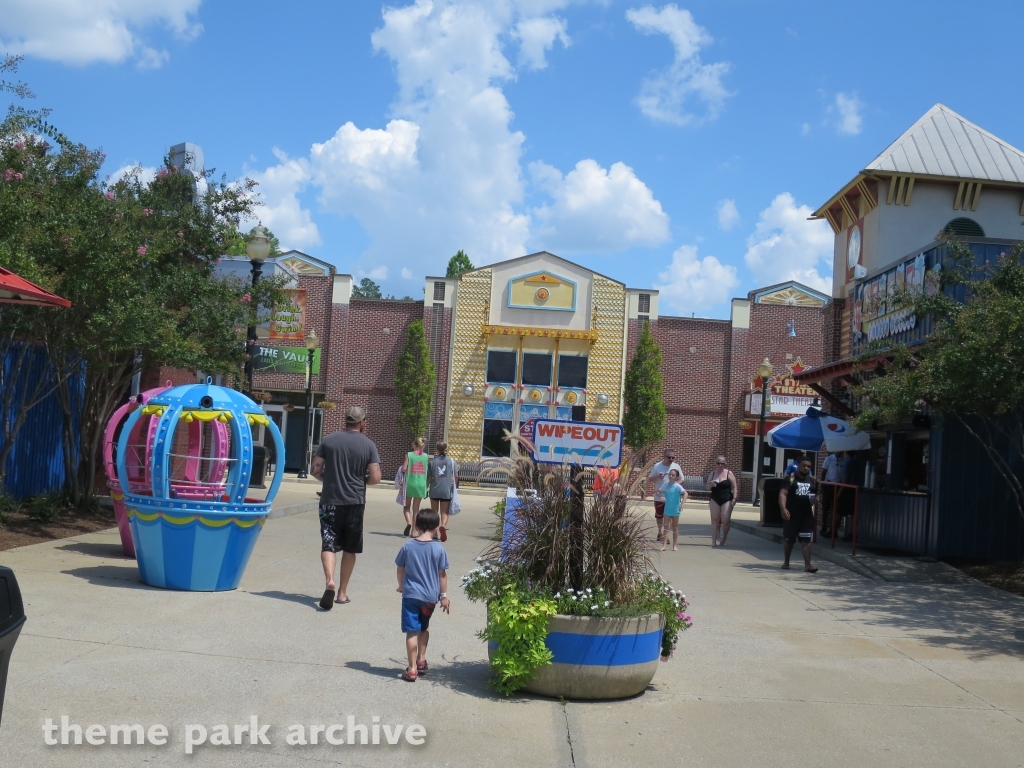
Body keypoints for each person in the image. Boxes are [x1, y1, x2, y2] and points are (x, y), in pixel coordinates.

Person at [311, 406, 382, 610]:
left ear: (346, 421)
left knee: (328, 543)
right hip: (354, 502)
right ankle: (342, 593)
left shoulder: (329, 440)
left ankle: (329, 581)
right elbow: (376, 477)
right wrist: (360, 481)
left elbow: (315, 470)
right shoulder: (368, 445)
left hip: (329, 500)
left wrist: (329, 477)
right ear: (362, 423)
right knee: (350, 548)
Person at [395, 507, 450, 682]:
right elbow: (442, 575)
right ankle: (421, 660)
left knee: (411, 632)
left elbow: (400, 568)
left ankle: (411, 669)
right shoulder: (439, 550)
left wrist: (401, 585)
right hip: (429, 598)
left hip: (410, 595)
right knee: (424, 627)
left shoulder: (408, 546)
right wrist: (444, 596)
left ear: (416, 526)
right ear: (436, 529)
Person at [779, 456, 819, 573]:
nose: (806, 468)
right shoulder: (790, 479)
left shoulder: (812, 481)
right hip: (791, 515)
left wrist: (816, 499)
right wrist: (783, 508)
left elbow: (817, 495)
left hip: (806, 515)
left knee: (806, 540)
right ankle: (786, 561)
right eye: (804, 465)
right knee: (789, 540)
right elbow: (783, 494)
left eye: (808, 466)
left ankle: (808, 565)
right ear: (798, 466)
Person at [648, 449, 682, 542]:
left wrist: (675, 486)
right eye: (669, 457)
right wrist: (657, 477)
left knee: (669, 516)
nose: (671, 459)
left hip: (671, 497)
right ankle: (660, 533)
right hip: (659, 496)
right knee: (659, 516)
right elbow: (650, 479)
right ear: (664, 456)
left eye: (673, 457)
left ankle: (665, 535)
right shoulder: (657, 466)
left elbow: (682, 479)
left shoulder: (676, 466)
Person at [428, 441, 458, 542]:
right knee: (444, 512)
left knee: (434, 512)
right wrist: (454, 485)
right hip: (446, 490)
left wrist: (426, 488)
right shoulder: (451, 461)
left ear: (437, 449)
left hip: (434, 490)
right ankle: (443, 526)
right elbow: (456, 476)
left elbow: (429, 477)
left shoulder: (432, 462)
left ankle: (435, 533)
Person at [706, 455, 737, 548]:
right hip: (715, 498)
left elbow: (734, 486)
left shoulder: (729, 473)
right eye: (718, 463)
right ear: (715, 463)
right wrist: (710, 484)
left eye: (722, 463)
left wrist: (734, 498)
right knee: (714, 519)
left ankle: (724, 538)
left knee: (725, 520)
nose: (720, 465)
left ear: (725, 464)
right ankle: (714, 540)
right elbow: (707, 487)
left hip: (726, 498)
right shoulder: (712, 473)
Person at [401, 437, 429, 537]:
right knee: (416, 509)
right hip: (421, 484)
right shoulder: (425, 456)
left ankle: (408, 522)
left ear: (414, 444)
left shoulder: (408, 455)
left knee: (406, 506)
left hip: (410, 483)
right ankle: (414, 532)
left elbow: (404, 469)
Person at [655, 468, 687, 552]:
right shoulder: (665, 485)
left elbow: (686, 493)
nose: (671, 476)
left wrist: (682, 504)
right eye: (670, 474)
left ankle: (675, 545)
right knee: (666, 528)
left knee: (675, 527)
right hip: (667, 510)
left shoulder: (677, 486)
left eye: (673, 475)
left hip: (675, 510)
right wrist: (661, 496)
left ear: (676, 478)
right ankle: (664, 545)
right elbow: (658, 492)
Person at [819, 451, 847, 536]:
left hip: (839, 486)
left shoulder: (844, 461)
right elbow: (823, 472)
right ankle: (824, 526)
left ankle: (833, 529)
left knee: (836, 508)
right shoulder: (829, 459)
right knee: (826, 507)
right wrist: (822, 486)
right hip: (829, 485)